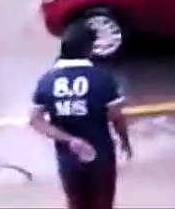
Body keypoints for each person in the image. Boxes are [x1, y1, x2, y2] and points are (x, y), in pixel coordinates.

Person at [30, 24, 132, 209]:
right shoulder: (102, 78)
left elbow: (35, 120)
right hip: (101, 156)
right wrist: (125, 142)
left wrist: (69, 139)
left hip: (68, 159)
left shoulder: (47, 81)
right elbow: (117, 118)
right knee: (103, 203)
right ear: (88, 48)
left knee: (76, 204)